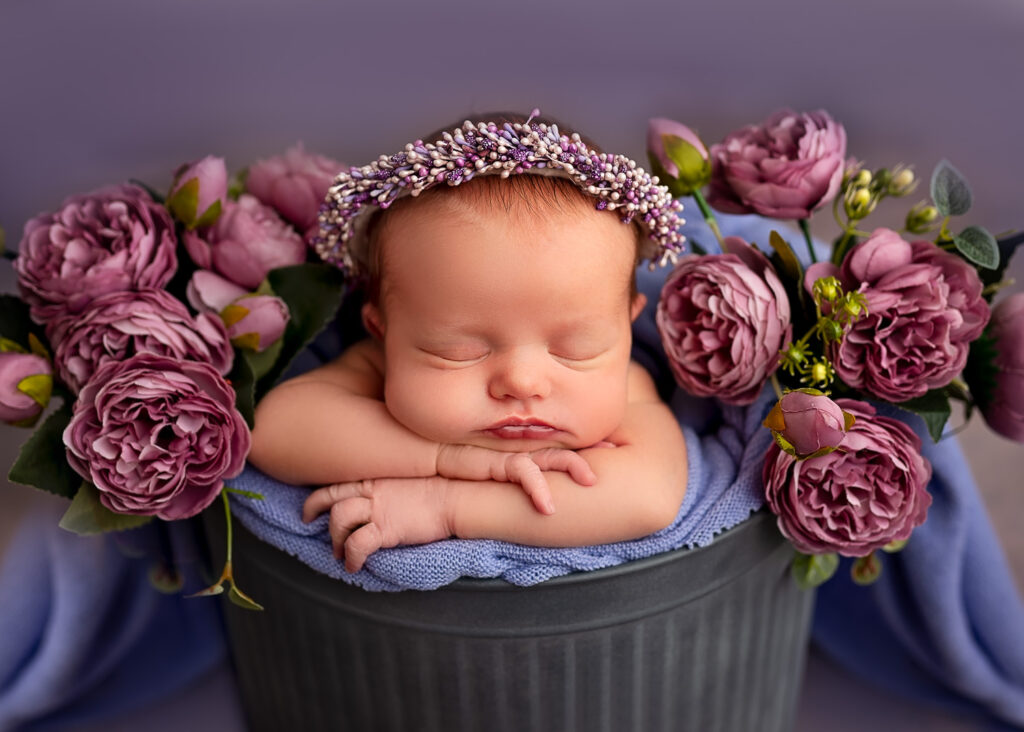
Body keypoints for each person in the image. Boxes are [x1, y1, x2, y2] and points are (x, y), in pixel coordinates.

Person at [248, 110, 690, 573]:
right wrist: (445, 458)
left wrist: (445, 503)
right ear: (383, 332)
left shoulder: (627, 387)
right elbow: (273, 430)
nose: (521, 382)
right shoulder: (376, 364)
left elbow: (650, 495)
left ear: (626, 325)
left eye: (575, 349)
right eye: (458, 351)